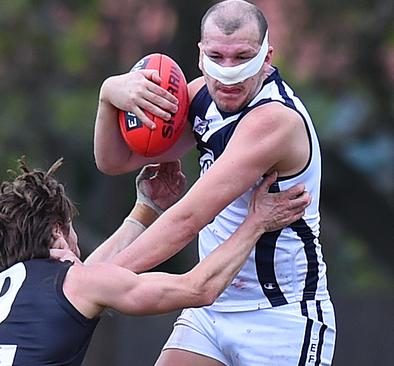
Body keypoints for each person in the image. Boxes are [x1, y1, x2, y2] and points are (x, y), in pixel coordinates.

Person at [92, 1, 336, 365]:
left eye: (242, 57)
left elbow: (190, 217)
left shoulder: (274, 120)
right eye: (217, 56)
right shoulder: (200, 96)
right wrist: (110, 94)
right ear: (201, 53)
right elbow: (116, 161)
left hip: (279, 313)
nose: (228, 73)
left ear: (267, 57)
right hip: (210, 308)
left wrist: (99, 281)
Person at [0, 157, 310, 366]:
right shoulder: (75, 284)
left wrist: (146, 209)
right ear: (57, 232)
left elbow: (92, 275)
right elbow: (199, 288)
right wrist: (255, 223)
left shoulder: (8, 291)